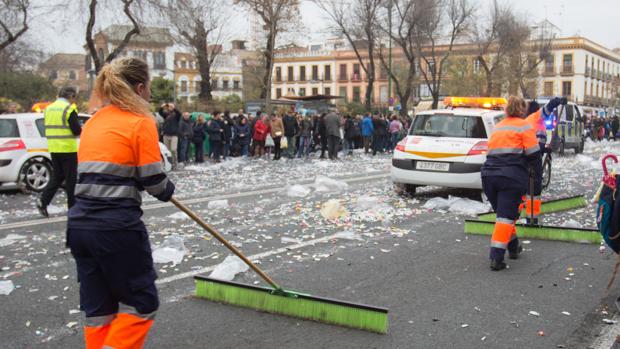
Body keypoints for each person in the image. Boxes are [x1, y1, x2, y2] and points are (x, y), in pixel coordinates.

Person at [67, 57, 175, 348]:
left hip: (80, 227)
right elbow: (154, 181)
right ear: (140, 88)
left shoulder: (95, 121)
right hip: (116, 228)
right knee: (141, 302)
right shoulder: (141, 122)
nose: (150, 92)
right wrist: (167, 189)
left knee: (99, 310)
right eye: (149, 86)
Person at [481, 96, 541, 271]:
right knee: (506, 217)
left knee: (503, 214)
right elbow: (534, 156)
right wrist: (536, 182)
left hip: (489, 176)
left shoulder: (498, 127)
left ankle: (514, 247)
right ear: (522, 110)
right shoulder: (524, 126)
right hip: (510, 177)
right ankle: (496, 258)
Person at [37, 86, 82, 217]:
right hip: (67, 148)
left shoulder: (49, 108)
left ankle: (43, 201)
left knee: (57, 176)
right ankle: (72, 207)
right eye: (74, 98)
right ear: (71, 96)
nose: (74, 101)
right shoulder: (69, 108)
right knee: (70, 179)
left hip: (54, 147)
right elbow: (76, 130)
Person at [523, 97, 566, 224]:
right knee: (533, 188)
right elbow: (548, 108)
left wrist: (545, 150)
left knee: (531, 187)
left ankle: (527, 215)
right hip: (532, 157)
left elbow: (538, 140)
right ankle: (530, 217)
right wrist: (557, 101)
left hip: (532, 155)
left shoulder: (531, 121)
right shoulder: (535, 117)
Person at [160, 103, 181, 169]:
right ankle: (169, 164)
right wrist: (162, 107)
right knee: (167, 151)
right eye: (169, 107)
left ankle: (175, 163)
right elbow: (160, 112)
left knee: (173, 149)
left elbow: (179, 113)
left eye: (171, 107)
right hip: (166, 135)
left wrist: (174, 108)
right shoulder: (166, 114)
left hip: (174, 135)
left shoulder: (176, 115)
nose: (170, 107)